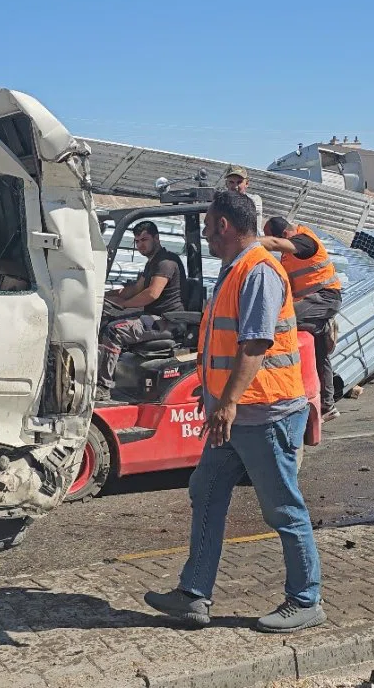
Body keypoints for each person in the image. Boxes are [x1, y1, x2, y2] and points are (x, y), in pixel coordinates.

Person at [143, 190, 324, 634]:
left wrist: (225, 404)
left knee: (283, 509)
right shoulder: (234, 270)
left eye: (207, 224)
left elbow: (256, 345)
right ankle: (193, 595)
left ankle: (306, 601)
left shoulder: (258, 270)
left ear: (223, 225)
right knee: (205, 490)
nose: (203, 232)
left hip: (264, 413)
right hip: (237, 417)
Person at [259, 216, 343, 421]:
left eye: (276, 241)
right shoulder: (288, 255)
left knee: (278, 323)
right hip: (311, 303)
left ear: (285, 235)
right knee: (319, 354)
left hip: (324, 298)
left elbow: (276, 244)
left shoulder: (305, 241)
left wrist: (247, 242)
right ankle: (327, 407)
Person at [96, 221, 185, 401]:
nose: (140, 245)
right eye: (137, 241)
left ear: (156, 238)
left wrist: (124, 304)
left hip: (165, 321)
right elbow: (135, 288)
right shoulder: (152, 263)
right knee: (104, 319)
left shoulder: (166, 262)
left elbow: (152, 293)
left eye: (144, 239)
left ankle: (103, 387)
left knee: (115, 331)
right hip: (153, 318)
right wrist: (104, 294)